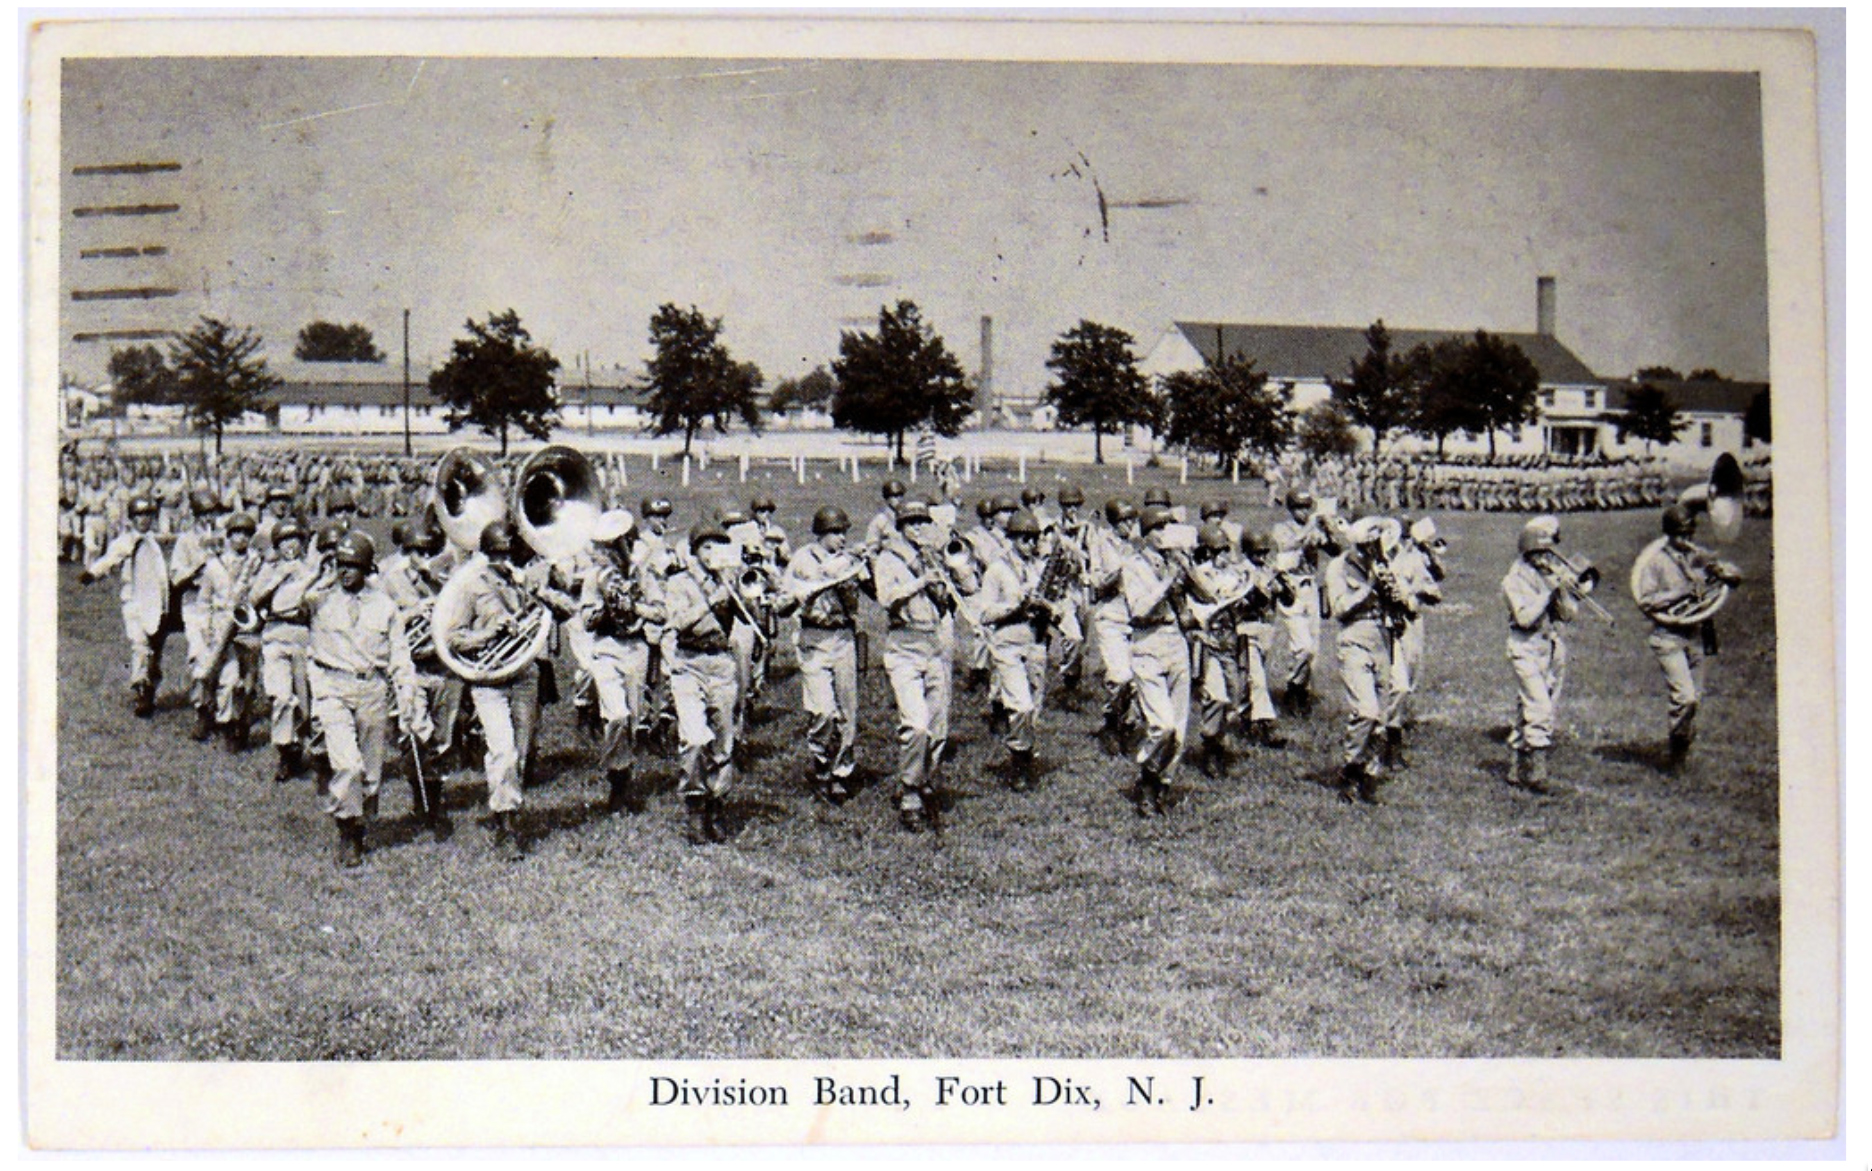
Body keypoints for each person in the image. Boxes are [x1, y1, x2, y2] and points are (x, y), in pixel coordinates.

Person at [298, 532, 429, 869]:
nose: (345, 573)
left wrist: (407, 692)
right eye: (341, 565)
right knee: (348, 765)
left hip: (371, 689)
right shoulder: (320, 600)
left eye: (353, 567)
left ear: (368, 569)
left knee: (371, 772)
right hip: (333, 688)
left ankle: (359, 815)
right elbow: (294, 604)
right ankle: (348, 834)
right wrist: (320, 574)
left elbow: (400, 655)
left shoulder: (385, 606)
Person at [446, 519, 558, 860]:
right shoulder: (471, 587)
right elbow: (452, 637)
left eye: (510, 554)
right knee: (503, 751)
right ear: (486, 555)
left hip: (524, 675)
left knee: (521, 754)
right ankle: (506, 825)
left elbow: (565, 611)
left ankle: (508, 807)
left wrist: (538, 593)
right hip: (489, 680)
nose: (505, 561)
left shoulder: (526, 582)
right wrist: (489, 633)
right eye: (498, 555)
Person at [872, 500, 977, 832]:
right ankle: (910, 795)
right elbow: (886, 598)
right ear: (901, 527)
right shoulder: (889, 559)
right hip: (904, 647)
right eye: (912, 524)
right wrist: (921, 581)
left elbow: (970, 589)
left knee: (938, 728)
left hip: (935, 647)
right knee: (916, 725)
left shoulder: (933, 554)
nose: (919, 529)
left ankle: (922, 778)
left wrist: (956, 567)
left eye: (923, 523)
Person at [1630, 504, 1744, 773]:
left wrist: (1725, 574)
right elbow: (1646, 601)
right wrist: (1681, 592)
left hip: (1695, 634)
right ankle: (1676, 758)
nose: (1687, 542)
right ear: (1668, 535)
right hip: (1667, 637)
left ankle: (1679, 751)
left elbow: (1735, 578)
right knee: (1685, 698)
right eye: (1681, 536)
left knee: (1696, 699)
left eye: (1690, 535)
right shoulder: (1655, 562)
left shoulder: (1698, 556)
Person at [664, 527, 746, 842]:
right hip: (689, 663)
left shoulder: (729, 580)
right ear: (695, 550)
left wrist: (743, 590)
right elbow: (678, 622)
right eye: (708, 548)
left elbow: (754, 620)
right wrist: (712, 600)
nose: (714, 555)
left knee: (724, 741)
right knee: (695, 738)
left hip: (722, 663)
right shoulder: (679, 582)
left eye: (720, 548)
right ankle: (695, 806)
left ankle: (716, 803)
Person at [579, 510, 664, 814]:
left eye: (616, 546)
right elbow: (586, 620)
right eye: (606, 547)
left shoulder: (642, 575)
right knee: (615, 715)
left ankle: (623, 780)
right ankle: (616, 784)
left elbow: (661, 612)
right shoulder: (595, 578)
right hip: (607, 647)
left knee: (632, 719)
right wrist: (606, 607)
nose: (609, 554)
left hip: (636, 649)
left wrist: (635, 606)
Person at [782, 507, 867, 804]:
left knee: (847, 711)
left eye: (844, 532)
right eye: (835, 533)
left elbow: (873, 591)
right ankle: (821, 767)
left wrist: (860, 563)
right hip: (814, 637)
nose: (841, 538)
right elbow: (782, 603)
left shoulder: (850, 559)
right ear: (820, 534)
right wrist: (801, 595)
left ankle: (840, 773)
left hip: (843, 637)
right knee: (821, 710)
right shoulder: (802, 559)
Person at [1323, 516, 1406, 805]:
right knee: (1366, 711)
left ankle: (1368, 777)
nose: (1374, 550)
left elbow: (1403, 606)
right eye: (1368, 545)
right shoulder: (1338, 567)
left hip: (1382, 640)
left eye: (1376, 544)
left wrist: (1397, 598)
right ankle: (1350, 768)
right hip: (1354, 639)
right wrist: (1369, 587)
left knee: (1381, 718)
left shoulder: (1383, 564)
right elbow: (1339, 609)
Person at [1121, 505, 1194, 815]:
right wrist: (1168, 580)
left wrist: (1189, 570)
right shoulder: (1133, 566)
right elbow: (1139, 608)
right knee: (1161, 724)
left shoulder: (1176, 561)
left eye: (1169, 529)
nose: (1165, 536)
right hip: (1147, 642)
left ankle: (1160, 786)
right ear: (1147, 535)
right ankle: (1147, 774)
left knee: (1178, 730)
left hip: (1176, 640)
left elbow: (1206, 597)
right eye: (1159, 530)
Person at [972, 508, 1051, 791]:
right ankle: (1020, 762)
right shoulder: (998, 569)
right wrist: (1016, 606)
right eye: (1023, 539)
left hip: (1036, 642)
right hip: (1007, 643)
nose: (1030, 545)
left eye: (1034, 539)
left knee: (1034, 709)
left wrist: (1049, 607)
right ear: (1011, 538)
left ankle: (1025, 752)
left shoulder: (1039, 568)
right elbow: (985, 613)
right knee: (1020, 705)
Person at [1500, 515, 1579, 794]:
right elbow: (1524, 618)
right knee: (1539, 708)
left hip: (1550, 646)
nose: (1545, 559)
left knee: (1531, 707)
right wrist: (1548, 591)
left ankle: (1515, 768)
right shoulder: (1513, 580)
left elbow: (1568, 616)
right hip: (1525, 647)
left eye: (1547, 553)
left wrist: (1565, 593)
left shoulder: (1547, 575)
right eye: (1539, 554)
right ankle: (1537, 775)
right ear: (1527, 553)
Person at [78, 495, 173, 718]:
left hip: (158, 603)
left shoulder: (156, 542)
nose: (144, 520)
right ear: (131, 518)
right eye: (139, 516)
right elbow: (110, 559)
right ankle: (140, 688)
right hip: (134, 600)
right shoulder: (125, 541)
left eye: (148, 515)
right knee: (140, 644)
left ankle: (149, 688)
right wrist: (92, 573)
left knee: (155, 651)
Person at [250, 518, 320, 784]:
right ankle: (284, 750)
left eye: (295, 541)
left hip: (303, 635)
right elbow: (253, 599)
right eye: (284, 542)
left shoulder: (310, 569)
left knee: (305, 701)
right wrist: (278, 577)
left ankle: (300, 748)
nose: (290, 547)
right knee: (280, 696)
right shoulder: (270, 570)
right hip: (275, 634)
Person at [1380, 517, 1446, 770]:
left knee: (1409, 679)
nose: (1402, 542)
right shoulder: (1380, 559)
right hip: (1387, 625)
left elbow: (1435, 590)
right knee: (1397, 684)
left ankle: (1393, 734)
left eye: (1406, 538)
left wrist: (1419, 592)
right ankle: (1387, 741)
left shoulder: (1415, 558)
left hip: (1411, 623)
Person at [1270, 491, 1335, 716]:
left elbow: (1337, 551)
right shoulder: (1282, 528)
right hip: (1291, 587)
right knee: (1302, 646)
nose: (1304, 512)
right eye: (1299, 508)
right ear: (1290, 509)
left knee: (1313, 648)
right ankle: (1293, 686)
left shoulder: (1314, 527)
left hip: (1311, 587)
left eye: (1307, 507)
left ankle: (1302, 692)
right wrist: (1310, 529)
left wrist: (1329, 530)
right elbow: (1286, 546)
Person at [1087, 497, 1142, 754]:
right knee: (1120, 676)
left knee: (1136, 679)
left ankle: (1125, 725)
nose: (1130, 525)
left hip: (1137, 617)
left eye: (1132, 520)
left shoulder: (1138, 544)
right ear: (1114, 522)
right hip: (1111, 615)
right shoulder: (1101, 542)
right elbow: (1097, 582)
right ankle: (1111, 722)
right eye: (1124, 521)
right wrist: (1119, 573)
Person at [1233, 530, 1293, 749]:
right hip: (1246, 628)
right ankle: (1266, 726)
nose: (1261, 557)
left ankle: (1245, 718)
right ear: (1247, 552)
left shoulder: (1269, 570)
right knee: (1257, 679)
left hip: (1267, 629)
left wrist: (1283, 583)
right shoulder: (1240, 571)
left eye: (1264, 553)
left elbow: (1289, 601)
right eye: (1256, 553)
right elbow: (1241, 602)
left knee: (1252, 679)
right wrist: (1261, 588)